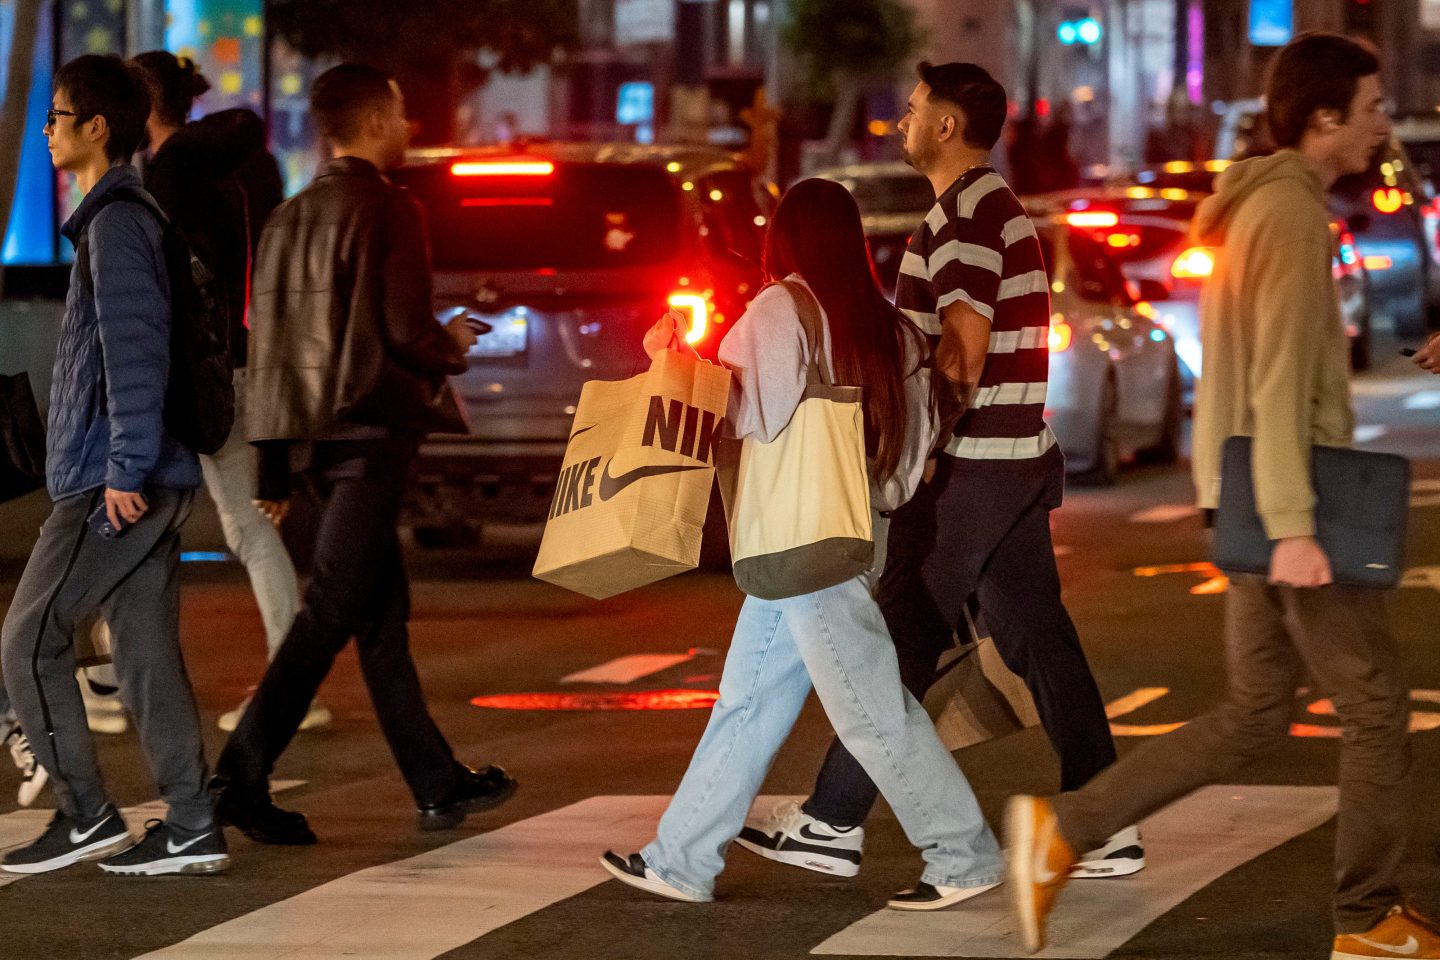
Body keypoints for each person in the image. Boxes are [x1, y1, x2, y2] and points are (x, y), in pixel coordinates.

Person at [1006, 33, 1440, 959]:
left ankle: (1065, 830)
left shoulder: (1268, 204)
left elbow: (1257, 376)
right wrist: (1290, 526)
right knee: (1374, 708)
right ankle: (1367, 919)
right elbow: (1277, 379)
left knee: (1253, 712)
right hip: (1285, 502)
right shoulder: (1287, 215)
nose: (1381, 125)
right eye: (1369, 108)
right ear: (1323, 116)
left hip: (1244, 492)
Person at [739, 62, 1135, 883]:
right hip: (1013, 458)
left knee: (901, 636)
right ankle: (1106, 819)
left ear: (948, 126)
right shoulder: (987, 210)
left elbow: (962, 351)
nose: (903, 123)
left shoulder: (966, 218)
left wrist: (917, 441)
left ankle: (832, 819)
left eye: (915, 111)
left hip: (974, 463)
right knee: (1036, 638)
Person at [601, 177, 1004, 911]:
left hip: (799, 538)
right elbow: (915, 453)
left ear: (783, 240)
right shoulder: (894, 332)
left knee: (872, 711)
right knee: (748, 701)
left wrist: (675, 360)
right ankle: (682, 858)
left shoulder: (778, 311)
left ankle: (964, 854)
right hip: (854, 534)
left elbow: (745, 415)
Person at [208, 63, 516, 845]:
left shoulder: (286, 218)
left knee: (381, 616)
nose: (411, 125)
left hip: (311, 445)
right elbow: (405, 330)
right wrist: (448, 344)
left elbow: (269, 350)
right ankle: (240, 773)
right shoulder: (391, 209)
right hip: (371, 437)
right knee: (332, 611)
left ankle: (437, 782)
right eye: (406, 110)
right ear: (377, 122)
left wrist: (274, 465)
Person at [0, 54, 228, 877]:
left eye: (58, 116)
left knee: (27, 640)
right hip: (134, 472)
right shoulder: (120, 218)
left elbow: (137, 354)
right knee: (142, 651)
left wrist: (125, 469)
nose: (49, 131)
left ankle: (85, 815)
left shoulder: (117, 222)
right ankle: (194, 822)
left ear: (98, 128)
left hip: (115, 480)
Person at [129, 50, 323, 734]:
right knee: (240, 527)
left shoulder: (175, 171)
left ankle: (284, 682)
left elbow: (187, 275)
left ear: (143, 103)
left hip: (198, 372)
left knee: (131, 516)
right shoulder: (207, 169)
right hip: (222, 364)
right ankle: (288, 679)